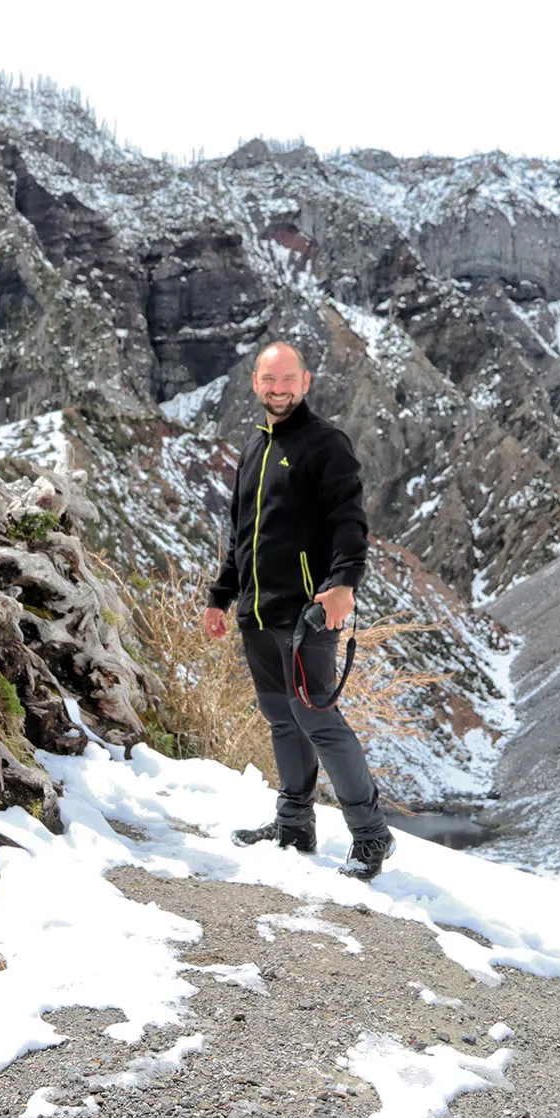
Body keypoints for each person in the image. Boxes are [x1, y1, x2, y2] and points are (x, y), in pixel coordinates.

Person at [205, 341, 395, 880]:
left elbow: (349, 523)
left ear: (306, 382)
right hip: (258, 615)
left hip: (307, 614)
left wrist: (342, 585)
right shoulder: (254, 448)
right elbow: (241, 537)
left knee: (317, 718)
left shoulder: (325, 443)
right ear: (255, 385)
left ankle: (371, 834)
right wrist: (221, 596)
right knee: (281, 718)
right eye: (270, 380)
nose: (279, 388)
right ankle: (294, 823)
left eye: (288, 379)